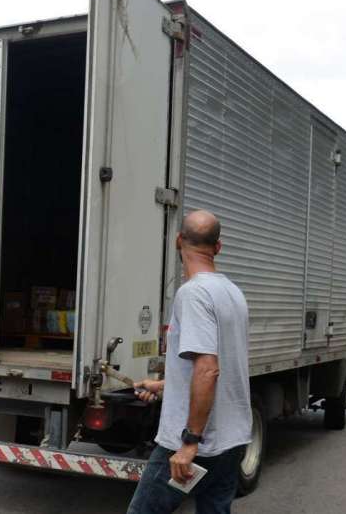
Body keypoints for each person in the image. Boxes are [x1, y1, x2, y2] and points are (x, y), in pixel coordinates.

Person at [127, 210, 251, 514]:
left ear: (179, 241)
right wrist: (164, 386)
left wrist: (190, 441)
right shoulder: (232, 292)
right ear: (218, 247)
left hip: (196, 443)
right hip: (231, 441)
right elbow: (213, 370)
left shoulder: (193, 294)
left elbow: (208, 369)